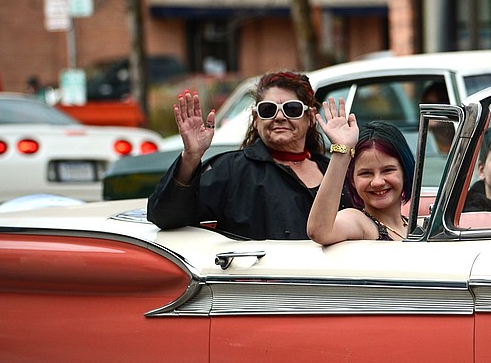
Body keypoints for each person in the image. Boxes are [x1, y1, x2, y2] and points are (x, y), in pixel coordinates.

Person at [148, 70, 333, 240]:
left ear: (310, 117)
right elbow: (165, 216)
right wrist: (190, 157)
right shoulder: (230, 171)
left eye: (292, 109)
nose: (279, 117)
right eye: (268, 110)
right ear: (255, 117)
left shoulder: (333, 171)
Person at [307, 98, 415, 244]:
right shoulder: (359, 223)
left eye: (388, 170)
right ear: (352, 179)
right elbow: (319, 231)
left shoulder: (418, 226)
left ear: (405, 172)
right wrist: (342, 152)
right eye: (366, 173)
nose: (377, 182)